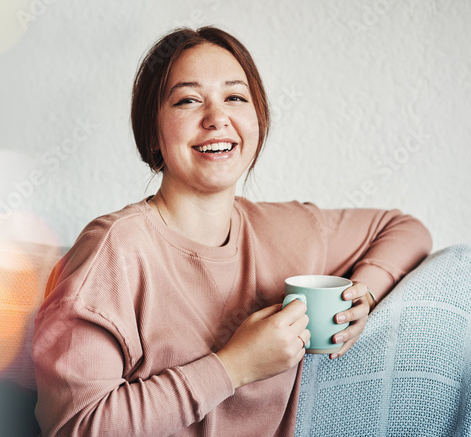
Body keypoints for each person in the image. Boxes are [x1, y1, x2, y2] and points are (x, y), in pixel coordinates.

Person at [31, 26, 432, 436]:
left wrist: (359, 296)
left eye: (235, 98)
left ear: (257, 121)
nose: (217, 118)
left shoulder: (290, 230)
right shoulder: (114, 251)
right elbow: (75, 426)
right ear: (152, 132)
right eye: (188, 100)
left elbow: (404, 228)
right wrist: (234, 366)